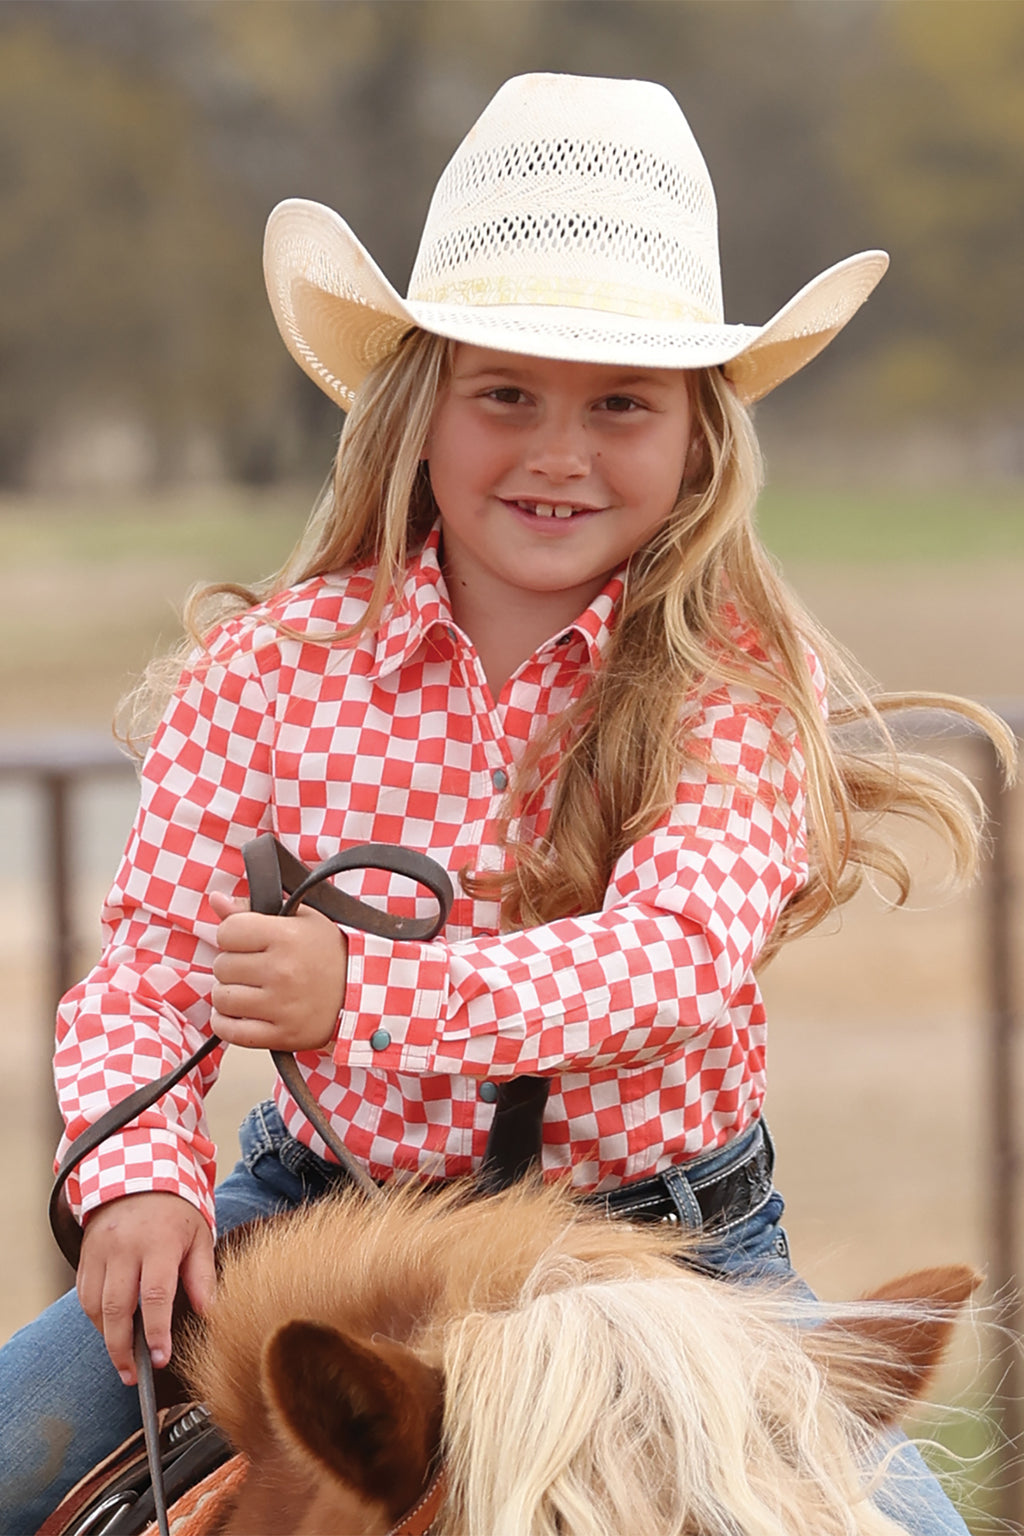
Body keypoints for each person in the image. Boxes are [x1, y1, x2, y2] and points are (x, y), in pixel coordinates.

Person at [1, 73, 1013, 1534]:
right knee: (17, 1443)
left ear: (698, 438)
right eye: (505, 394)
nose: (557, 452)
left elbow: (670, 965)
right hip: (326, 1221)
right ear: (421, 407)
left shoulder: (729, 687)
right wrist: (136, 1177)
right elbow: (151, 971)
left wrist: (361, 994)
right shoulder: (269, 671)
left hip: (663, 1259)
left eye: (620, 404)